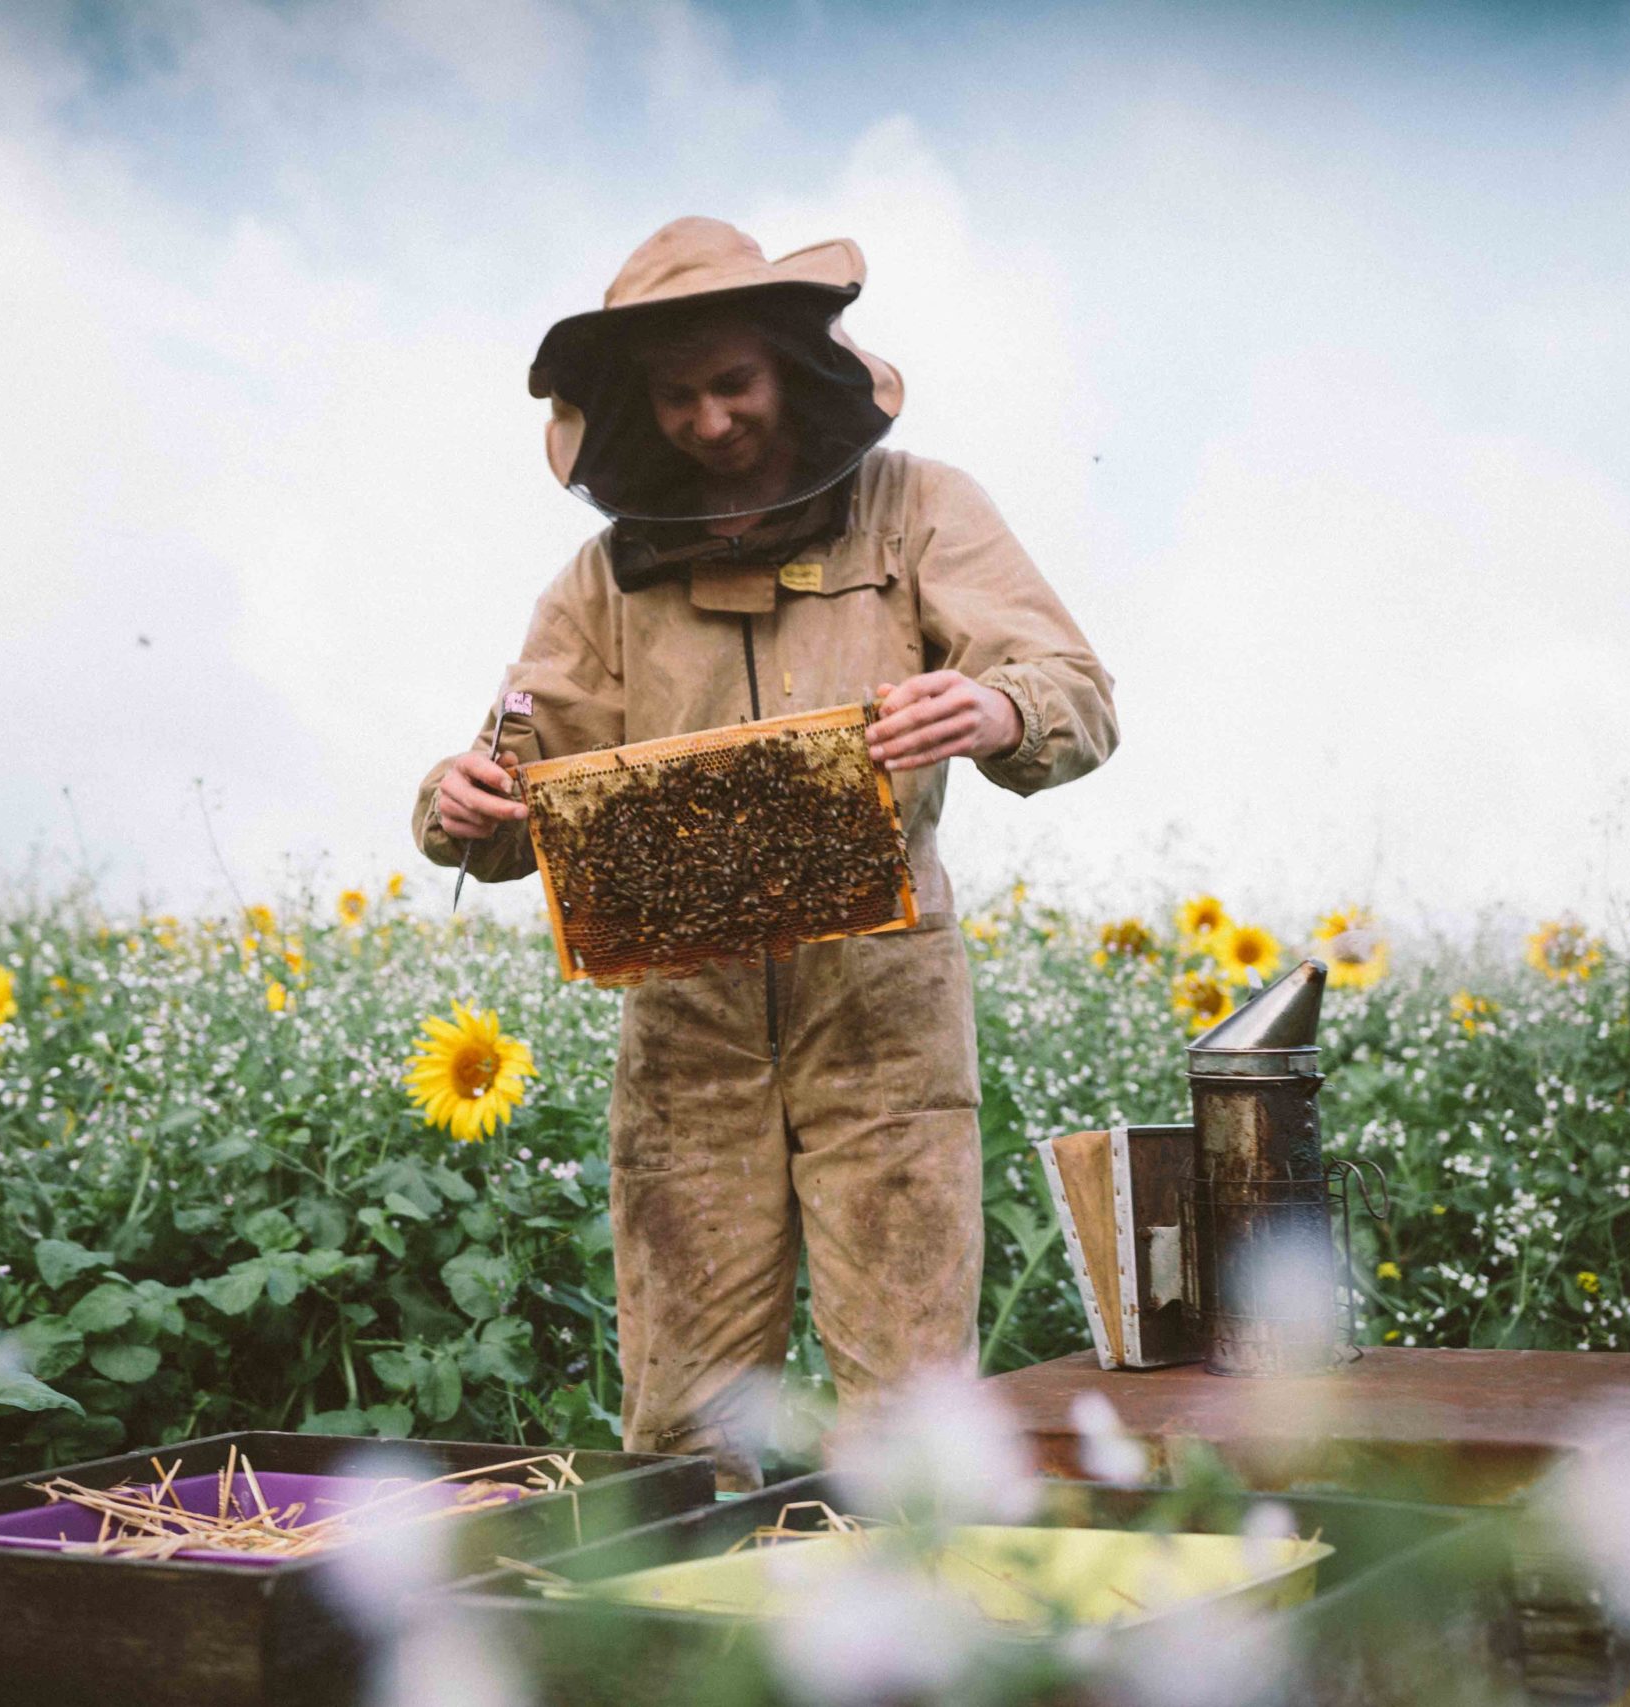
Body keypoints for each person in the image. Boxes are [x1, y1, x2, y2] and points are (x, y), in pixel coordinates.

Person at [412, 217, 1116, 1488]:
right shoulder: (599, 581)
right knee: (685, 1428)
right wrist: (459, 802)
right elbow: (512, 769)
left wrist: (999, 707)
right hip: (686, 1028)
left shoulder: (919, 510)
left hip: (882, 1012)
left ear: (791, 367)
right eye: (675, 396)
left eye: (731, 383)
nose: (709, 420)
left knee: (907, 1424)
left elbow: (1072, 687)